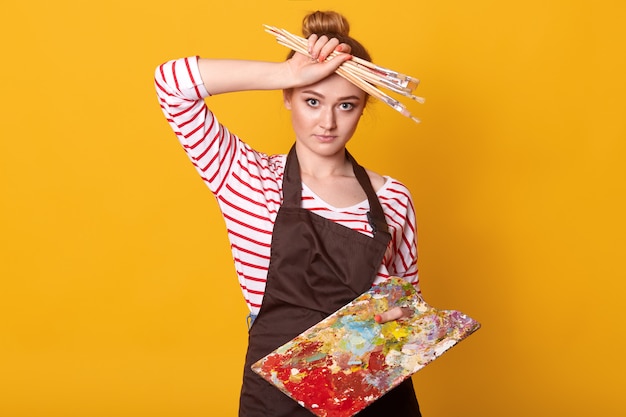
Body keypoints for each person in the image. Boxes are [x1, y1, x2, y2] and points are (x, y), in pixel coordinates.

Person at [155, 10, 422, 417]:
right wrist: (288, 72)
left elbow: (410, 304)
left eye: (346, 105)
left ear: (363, 107)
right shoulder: (244, 175)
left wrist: (402, 317)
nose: (327, 122)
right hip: (279, 398)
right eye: (312, 100)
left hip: (375, 391)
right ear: (288, 96)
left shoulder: (393, 198)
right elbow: (171, 84)